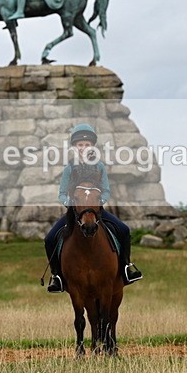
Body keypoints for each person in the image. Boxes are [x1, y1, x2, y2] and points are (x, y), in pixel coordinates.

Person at [43, 123, 143, 293]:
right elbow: (61, 193)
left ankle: (127, 267)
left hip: (97, 211)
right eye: (80, 145)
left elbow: (106, 190)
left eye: (87, 145)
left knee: (124, 230)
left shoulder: (100, 167)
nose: (83, 148)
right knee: (50, 238)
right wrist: (73, 204)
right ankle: (57, 276)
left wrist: (96, 204)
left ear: (92, 147)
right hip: (74, 213)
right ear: (74, 147)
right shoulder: (69, 169)